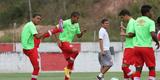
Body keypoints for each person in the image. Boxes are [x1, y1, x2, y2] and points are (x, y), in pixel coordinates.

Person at [21, 13, 63, 80]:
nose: (39, 20)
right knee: (37, 68)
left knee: (44, 33)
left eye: (40, 19)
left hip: (29, 48)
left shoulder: (30, 25)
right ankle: (57, 28)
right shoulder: (31, 26)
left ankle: (58, 28)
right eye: (37, 18)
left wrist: (57, 39)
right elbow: (38, 36)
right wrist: (47, 29)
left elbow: (41, 35)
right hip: (30, 49)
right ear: (33, 18)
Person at [130, 5, 159, 80]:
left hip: (136, 48)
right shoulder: (150, 22)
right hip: (146, 48)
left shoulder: (136, 21)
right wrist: (157, 42)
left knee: (138, 68)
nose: (152, 13)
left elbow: (132, 34)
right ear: (147, 12)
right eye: (151, 12)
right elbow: (153, 34)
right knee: (152, 67)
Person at [55, 12, 86, 80]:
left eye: (78, 18)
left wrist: (82, 33)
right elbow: (56, 29)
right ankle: (66, 69)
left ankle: (66, 78)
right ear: (73, 17)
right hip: (63, 42)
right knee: (76, 51)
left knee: (71, 64)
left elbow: (78, 36)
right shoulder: (65, 22)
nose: (78, 19)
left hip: (68, 44)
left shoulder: (77, 24)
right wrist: (58, 40)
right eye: (77, 18)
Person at [119, 9, 136, 80]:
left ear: (126, 15)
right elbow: (134, 33)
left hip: (130, 47)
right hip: (130, 47)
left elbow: (131, 34)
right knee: (124, 68)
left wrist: (123, 33)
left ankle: (134, 78)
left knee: (124, 67)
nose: (122, 19)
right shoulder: (133, 22)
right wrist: (124, 28)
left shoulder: (131, 22)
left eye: (122, 17)